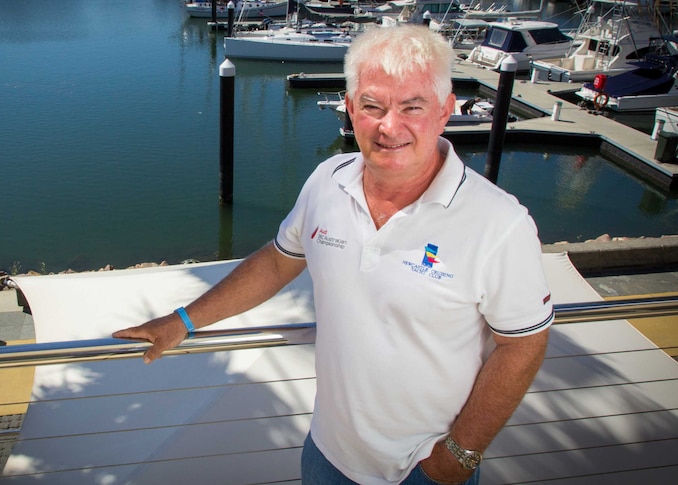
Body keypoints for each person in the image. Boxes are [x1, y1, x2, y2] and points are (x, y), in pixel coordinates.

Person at [114, 24, 553, 485]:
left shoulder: (499, 224)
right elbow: (278, 261)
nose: (389, 126)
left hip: (426, 469)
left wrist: (457, 457)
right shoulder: (328, 180)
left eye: (412, 107)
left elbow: (522, 344)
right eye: (372, 106)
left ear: (445, 111)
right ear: (349, 107)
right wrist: (183, 321)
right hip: (327, 455)